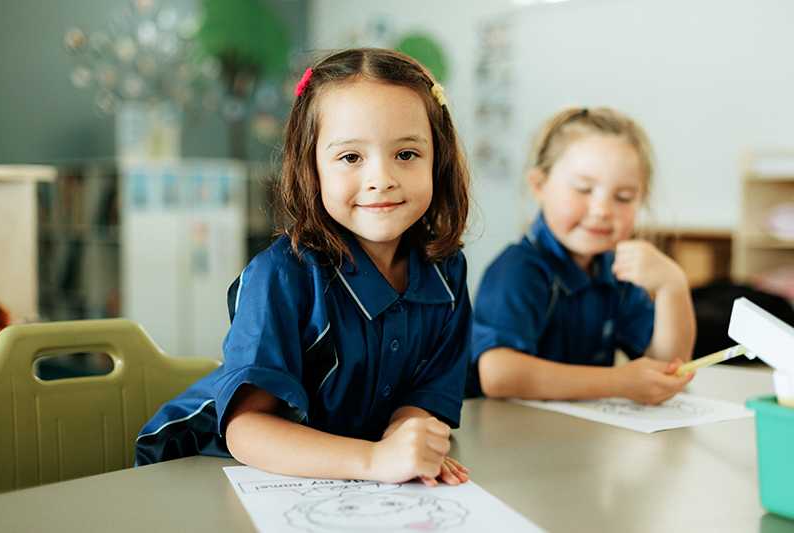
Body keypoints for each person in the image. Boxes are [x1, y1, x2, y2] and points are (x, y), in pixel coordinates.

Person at [137, 48, 472, 487]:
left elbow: (426, 395)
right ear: (311, 167)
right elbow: (246, 429)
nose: (381, 178)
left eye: (406, 154)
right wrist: (375, 460)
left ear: (438, 161)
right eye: (351, 157)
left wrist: (402, 438)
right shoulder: (281, 277)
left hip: (335, 480)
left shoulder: (446, 274)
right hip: (196, 474)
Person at [469, 107, 696, 405]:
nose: (602, 209)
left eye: (624, 197)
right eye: (584, 189)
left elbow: (666, 367)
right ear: (539, 185)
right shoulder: (518, 269)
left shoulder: (615, 272)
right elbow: (498, 374)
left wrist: (672, 287)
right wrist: (619, 381)